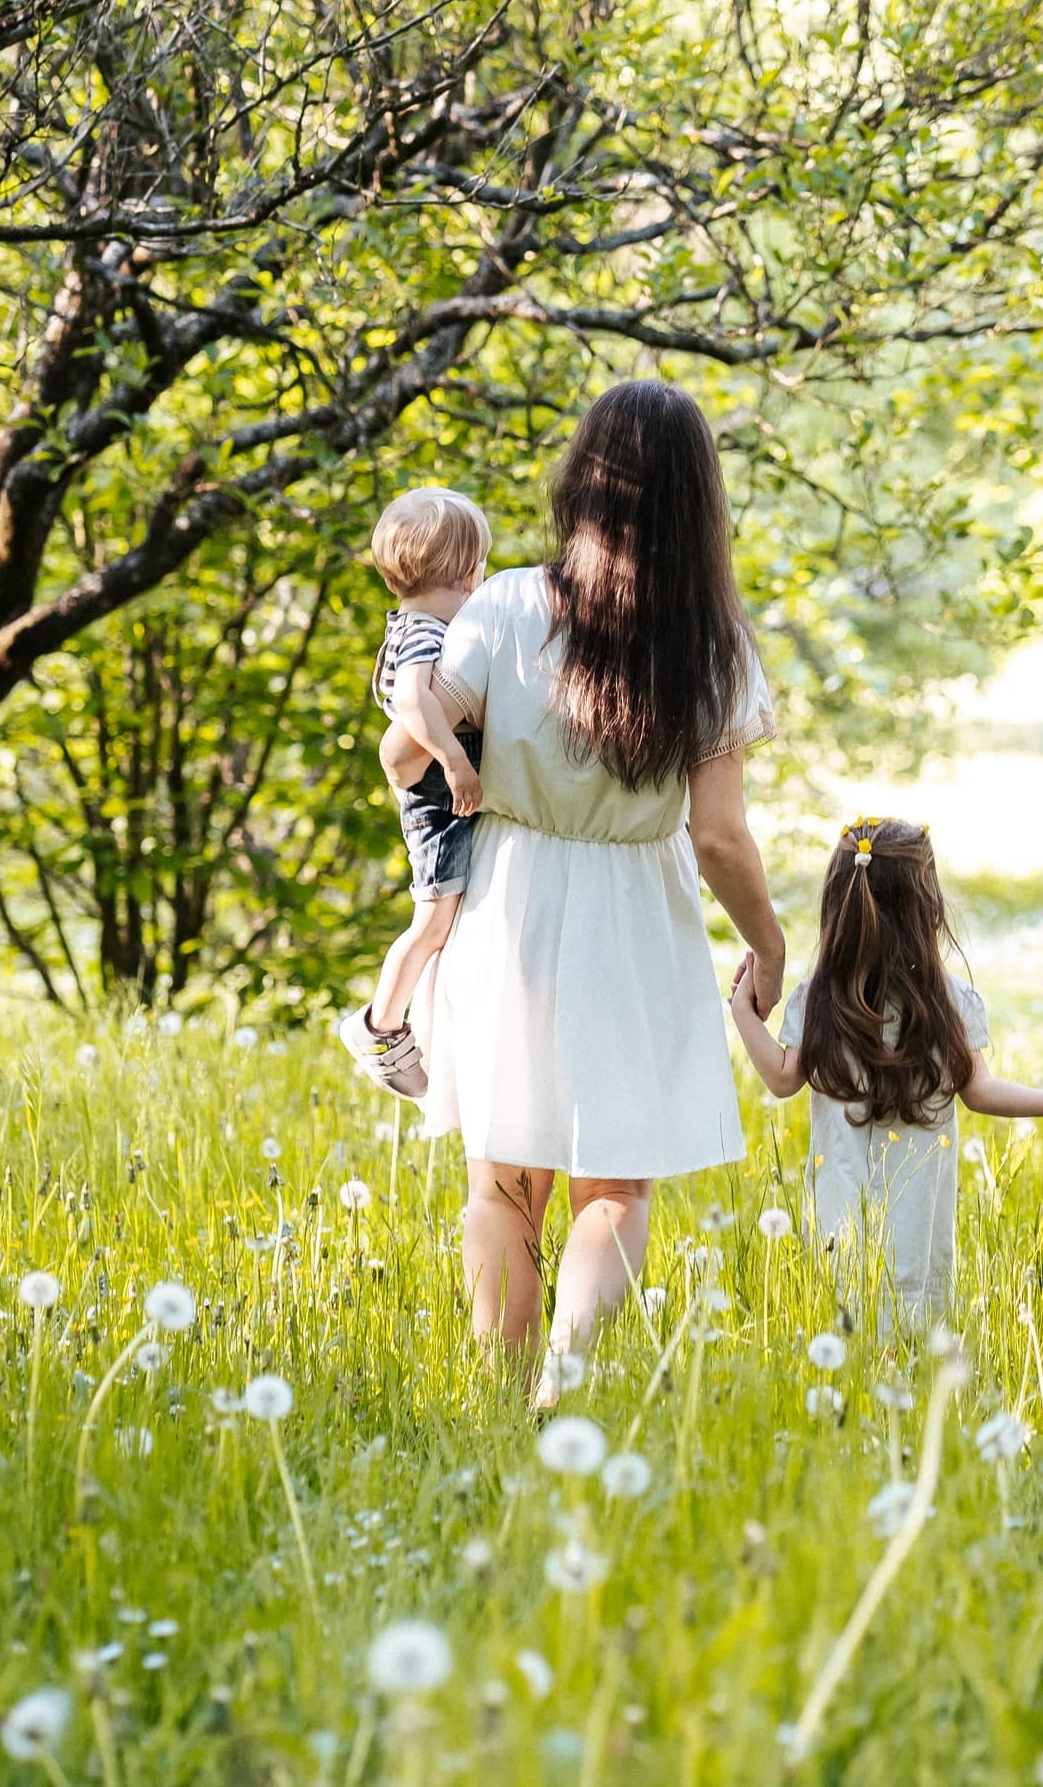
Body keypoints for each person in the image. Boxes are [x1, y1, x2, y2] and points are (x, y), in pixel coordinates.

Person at [417, 381, 784, 1399]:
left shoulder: (501, 605)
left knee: (503, 1172)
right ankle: (563, 1377)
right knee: (614, 1183)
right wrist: (773, 939)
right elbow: (718, 835)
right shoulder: (714, 646)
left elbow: (411, 750)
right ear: (695, 503)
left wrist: (415, 671)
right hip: (634, 917)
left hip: (511, 902)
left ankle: (498, 1386)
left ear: (583, 479)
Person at [725, 816, 1043, 1326]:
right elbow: (982, 1091)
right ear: (928, 910)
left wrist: (744, 1014)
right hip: (918, 1207)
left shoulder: (821, 1000)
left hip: (841, 1207)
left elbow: (782, 1078)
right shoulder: (951, 1002)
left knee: (846, 1314)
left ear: (839, 907)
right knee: (914, 1310)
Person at [335, 486, 492, 1098]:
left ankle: (405, 1020)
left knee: (440, 921)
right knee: (431, 920)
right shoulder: (425, 631)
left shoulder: (410, 622)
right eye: (479, 571)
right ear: (462, 572)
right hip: (433, 794)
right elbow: (410, 703)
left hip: (431, 785)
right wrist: (454, 761)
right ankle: (381, 1027)